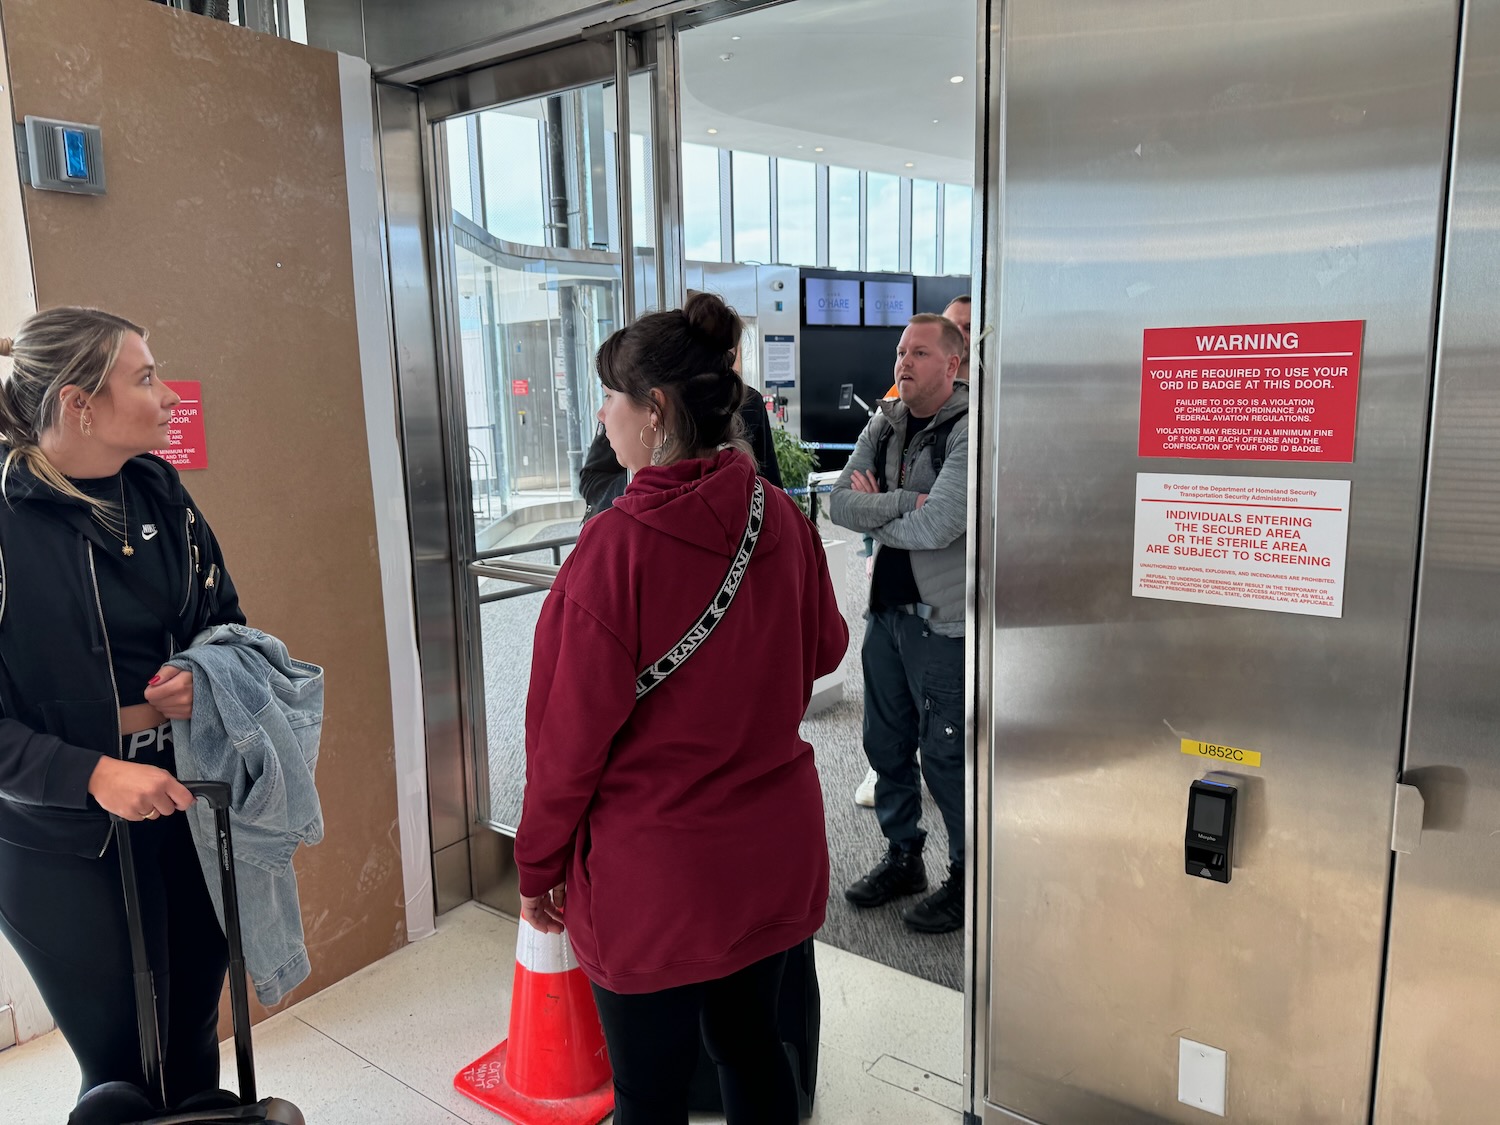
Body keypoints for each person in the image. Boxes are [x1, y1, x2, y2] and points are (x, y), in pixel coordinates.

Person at [515, 292, 848, 1124]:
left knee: (651, 1093)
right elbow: (827, 650)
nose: (601, 415)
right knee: (752, 1048)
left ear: (654, 412)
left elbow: (566, 744)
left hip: (656, 877)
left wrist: (537, 867)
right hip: (771, 850)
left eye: (610, 397)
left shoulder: (611, 551)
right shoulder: (780, 515)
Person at [0, 308, 245, 1105]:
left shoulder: (161, 496)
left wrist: (203, 672)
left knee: (189, 1037)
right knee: (123, 1071)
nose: (169, 394)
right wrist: (91, 774)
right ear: (79, 404)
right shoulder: (6, 519)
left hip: (185, 801)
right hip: (59, 841)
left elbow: (229, 623)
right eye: (145, 377)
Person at [830, 313, 969, 935]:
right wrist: (905, 504)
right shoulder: (883, 422)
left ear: (952, 365)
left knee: (945, 756)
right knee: (885, 745)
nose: (902, 363)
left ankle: (970, 879)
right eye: (899, 351)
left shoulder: (971, 429)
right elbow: (838, 502)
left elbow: (942, 525)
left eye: (918, 353)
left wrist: (877, 511)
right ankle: (904, 856)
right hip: (884, 615)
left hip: (942, 626)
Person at [578, 295, 781, 522]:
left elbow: (767, 479)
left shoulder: (612, 543)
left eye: (608, 396)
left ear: (655, 407)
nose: (601, 414)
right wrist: (642, 482)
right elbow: (592, 479)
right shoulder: (786, 518)